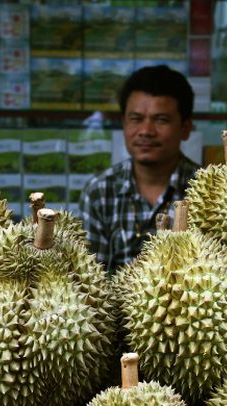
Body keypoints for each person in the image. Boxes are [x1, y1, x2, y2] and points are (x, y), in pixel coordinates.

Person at [79, 65, 199, 271]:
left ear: (185, 128)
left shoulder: (208, 191)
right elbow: (89, 279)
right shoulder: (99, 192)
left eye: (161, 120)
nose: (146, 131)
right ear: (124, 124)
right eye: (136, 119)